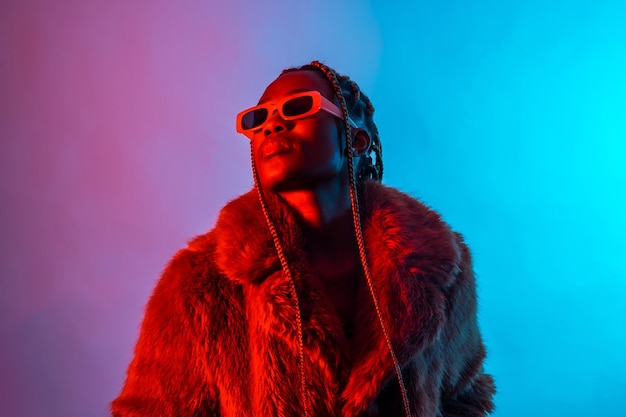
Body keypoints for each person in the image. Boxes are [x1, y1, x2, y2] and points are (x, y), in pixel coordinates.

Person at [111, 61, 495, 417]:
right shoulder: (199, 283)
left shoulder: (438, 266)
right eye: (258, 118)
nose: (272, 125)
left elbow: (462, 397)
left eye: (298, 108)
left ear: (355, 140)